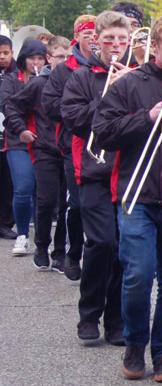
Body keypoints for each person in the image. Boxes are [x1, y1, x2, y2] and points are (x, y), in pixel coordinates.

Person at [93, 15, 162, 383]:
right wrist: (149, 116)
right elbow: (102, 133)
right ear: (154, 47)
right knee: (138, 275)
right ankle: (135, 343)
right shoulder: (129, 84)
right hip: (138, 195)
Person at [61, 11, 131, 344]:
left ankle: (116, 320)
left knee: (123, 250)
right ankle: (89, 314)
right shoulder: (81, 78)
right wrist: (107, 93)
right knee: (102, 243)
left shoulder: (137, 75)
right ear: (96, 41)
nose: (116, 45)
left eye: (122, 39)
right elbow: (74, 121)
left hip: (128, 173)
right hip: (93, 171)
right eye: (109, 39)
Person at [8, 37, 72, 270]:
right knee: (47, 200)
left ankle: (60, 252)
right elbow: (12, 106)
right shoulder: (38, 84)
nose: (64, 61)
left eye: (68, 57)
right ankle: (42, 245)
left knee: (68, 204)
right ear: (49, 58)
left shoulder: (77, 81)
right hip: (45, 148)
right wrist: (22, 130)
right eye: (59, 56)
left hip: (69, 149)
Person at [40, 15, 95, 282]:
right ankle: (73, 253)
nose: (93, 39)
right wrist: (79, 108)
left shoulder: (114, 66)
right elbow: (50, 106)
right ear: (77, 36)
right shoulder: (64, 70)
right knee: (77, 203)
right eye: (87, 34)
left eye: (96, 34)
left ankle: (99, 256)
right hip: (72, 143)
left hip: (106, 143)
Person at [0, 38, 48, 256]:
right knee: (23, 188)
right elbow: (7, 106)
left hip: (44, 140)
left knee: (43, 192)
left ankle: (42, 238)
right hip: (18, 140)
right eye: (32, 58)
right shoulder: (12, 80)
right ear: (23, 59)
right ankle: (21, 234)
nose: (36, 63)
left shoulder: (49, 79)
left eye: (40, 58)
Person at [0, 36, 17, 240]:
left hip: (8, 133)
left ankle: (5, 222)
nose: (2, 57)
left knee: (7, 180)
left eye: (6, 53)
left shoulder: (17, 74)